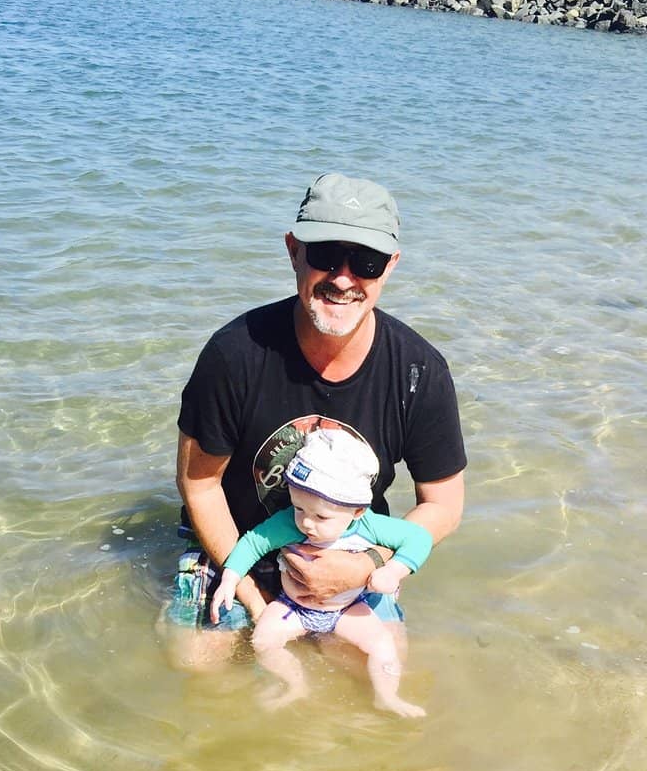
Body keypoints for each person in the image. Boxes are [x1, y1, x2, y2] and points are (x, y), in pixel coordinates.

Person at [162, 172, 466, 669]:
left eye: (365, 262)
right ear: (293, 250)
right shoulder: (233, 355)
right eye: (326, 253)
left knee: (375, 673)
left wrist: (364, 566)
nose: (344, 278)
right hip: (237, 543)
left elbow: (444, 504)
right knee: (202, 667)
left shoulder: (419, 371)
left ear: (390, 266)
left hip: (348, 549)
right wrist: (257, 603)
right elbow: (199, 487)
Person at [210, 428, 432, 716]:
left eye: (320, 516)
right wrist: (230, 578)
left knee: (383, 646)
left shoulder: (370, 526)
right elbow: (253, 542)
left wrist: (394, 570)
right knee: (263, 640)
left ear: (357, 511)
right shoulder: (289, 522)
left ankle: (387, 697)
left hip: (347, 608)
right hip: (293, 606)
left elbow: (418, 538)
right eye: (299, 507)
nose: (306, 523)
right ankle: (294, 683)